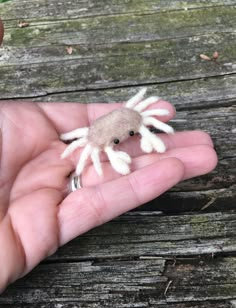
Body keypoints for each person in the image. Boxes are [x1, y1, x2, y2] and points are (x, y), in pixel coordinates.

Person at [0, 19, 217, 293]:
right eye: (117, 142)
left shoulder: (138, 111)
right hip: (105, 130)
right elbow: (78, 154)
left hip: (131, 116)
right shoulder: (89, 142)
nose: (121, 142)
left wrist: (138, 128)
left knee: (161, 140)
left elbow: (148, 111)